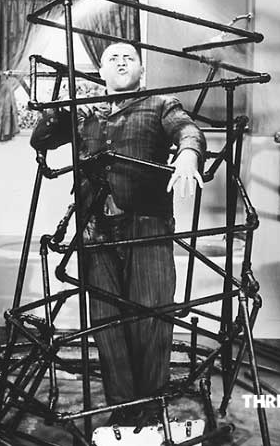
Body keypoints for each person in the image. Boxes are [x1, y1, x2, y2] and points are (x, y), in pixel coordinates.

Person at [31, 42, 206, 426]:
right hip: (95, 229)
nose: (122, 62)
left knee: (152, 316)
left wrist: (189, 154)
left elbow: (188, 130)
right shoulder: (85, 112)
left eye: (129, 58)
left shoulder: (161, 103)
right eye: (113, 58)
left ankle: (152, 407)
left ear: (142, 70)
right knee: (106, 322)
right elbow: (40, 139)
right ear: (102, 72)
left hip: (146, 226)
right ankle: (124, 409)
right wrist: (59, 105)